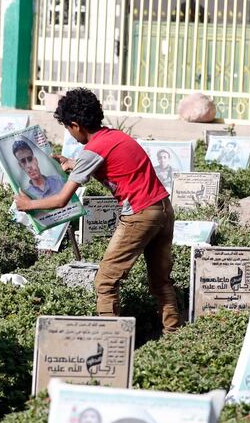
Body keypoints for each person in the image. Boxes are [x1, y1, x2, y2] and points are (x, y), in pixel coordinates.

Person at [14, 88, 181, 332]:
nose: (70, 134)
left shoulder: (92, 150)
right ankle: (174, 333)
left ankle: (112, 343)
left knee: (105, 282)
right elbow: (109, 164)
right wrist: (74, 164)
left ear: (75, 125)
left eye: (68, 129)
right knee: (160, 281)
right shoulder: (115, 136)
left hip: (140, 215)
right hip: (163, 209)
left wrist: (29, 204)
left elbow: (61, 200)